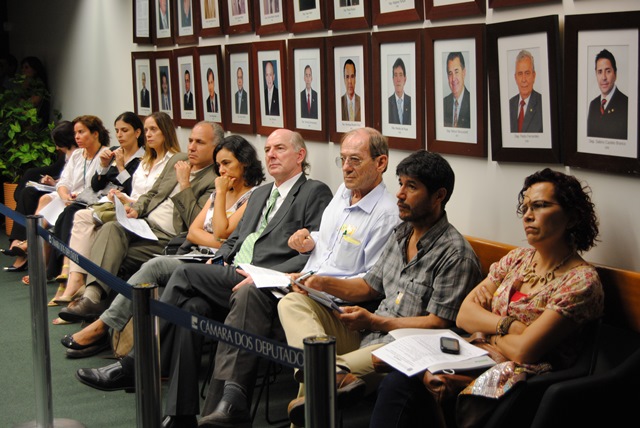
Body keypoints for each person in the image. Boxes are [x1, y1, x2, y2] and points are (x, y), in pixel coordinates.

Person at [75, 129, 333, 428]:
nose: (271, 154)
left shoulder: (314, 192)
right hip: (232, 272)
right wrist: (219, 257)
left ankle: (137, 363)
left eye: (280, 149)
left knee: (183, 273)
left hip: (266, 283)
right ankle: (182, 415)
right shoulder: (262, 192)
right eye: (269, 149)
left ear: (300, 156)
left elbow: (313, 252)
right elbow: (235, 238)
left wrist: (269, 275)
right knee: (192, 307)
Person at [370, 168, 604, 428]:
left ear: (572, 217)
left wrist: (488, 330)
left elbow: (524, 351)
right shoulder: (518, 259)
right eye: (525, 207)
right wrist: (508, 326)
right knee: (396, 374)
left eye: (540, 206)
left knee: (403, 384)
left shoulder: (580, 281)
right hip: (476, 353)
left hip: (526, 382)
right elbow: (465, 314)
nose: (527, 215)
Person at [198, 127, 400, 427]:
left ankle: (232, 403)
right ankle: (231, 402)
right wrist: (311, 239)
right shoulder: (344, 194)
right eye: (342, 159)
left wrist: (318, 283)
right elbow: (334, 245)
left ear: (380, 163)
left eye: (355, 160)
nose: (346, 167)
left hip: (340, 308)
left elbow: (370, 286)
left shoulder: (385, 214)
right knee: (251, 300)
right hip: (307, 289)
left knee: (276, 308)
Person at [281, 150, 483, 427]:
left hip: (406, 348)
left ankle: (332, 372)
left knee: (317, 372)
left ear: (439, 196)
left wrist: (375, 320)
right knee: (292, 303)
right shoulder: (402, 233)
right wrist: (318, 283)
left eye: (411, 187)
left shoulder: (456, 254)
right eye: (400, 184)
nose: (399, 194)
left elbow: (440, 323)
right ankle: (336, 372)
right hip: (370, 333)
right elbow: (369, 286)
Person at [62, 135, 264, 358]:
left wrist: (220, 208)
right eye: (219, 165)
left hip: (216, 263)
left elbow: (222, 231)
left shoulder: (254, 195)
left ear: (244, 163)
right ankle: (108, 327)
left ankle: (103, 326)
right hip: (194, 254)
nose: (222, 171)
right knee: (113, 236)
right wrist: (215, 235)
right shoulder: (218, 192)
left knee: (155, 266)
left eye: (227, 164)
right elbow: (194, 232)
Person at [58, 121, 220, 324]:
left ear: (215, 149)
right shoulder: (179, 160)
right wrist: (136, 209)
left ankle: (98, 320)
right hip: (144, 224)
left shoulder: (214, 179)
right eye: (190, 141)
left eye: (200, 143)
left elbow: (195, 222)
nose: (192, 147)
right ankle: (91, 297)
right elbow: (153, 192)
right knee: (110, 228)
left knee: (114, 256)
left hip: (168, 238)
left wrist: (185, 184)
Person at [49, 112, 148, 309]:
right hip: (102, 200)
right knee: (67, 215)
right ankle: (67, 274)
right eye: (117, 130)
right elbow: (95, 184)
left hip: (123, 206)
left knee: (77, 214)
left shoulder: (141, 159)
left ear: (137, 132)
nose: (120, 135)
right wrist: (103, 167)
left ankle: (70, 275)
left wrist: (119, 167)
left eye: (125, 130)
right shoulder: (113, 152)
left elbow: (131, 189)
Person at [3, 115, 110, 273]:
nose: (77, 137)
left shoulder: (106, 155)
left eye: (81, 132)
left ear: (95, 133)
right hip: (70, 197)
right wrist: (65, 195)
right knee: (46, 198)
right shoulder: (76, 155)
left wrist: (72, 197)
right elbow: (64, 182)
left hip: (89, 200)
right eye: (75, 133)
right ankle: (37, 259)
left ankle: (28, 246)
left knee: (48, 207)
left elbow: (99, 186)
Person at [1, 121, 77, 272]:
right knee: (29, 189)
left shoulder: (81, 155)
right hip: (61, 190)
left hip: (70, 195)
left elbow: (78, 183)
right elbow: (65, 177)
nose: (56, 148)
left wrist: (58, 186)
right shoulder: (71, 155)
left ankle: (24, 245)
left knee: (30, 194)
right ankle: (20, 245)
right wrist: (54, 182)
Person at [586, 49, 628, 140]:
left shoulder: (626, 104)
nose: (604, 77)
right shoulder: (593, 105)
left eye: (608, 71)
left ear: (615, 74)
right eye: (600, 72)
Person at [509, 50, 543, 133]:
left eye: (527, 73)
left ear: (534, 76)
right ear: (515, 78)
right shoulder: (509, 105)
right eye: (520, 74)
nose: (524, 79)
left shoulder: (543, 104)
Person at [443, 52, 470, 129]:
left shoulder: (473, 102)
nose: (453, 78)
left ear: (464, 73)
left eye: (456, 71)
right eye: (450, 73)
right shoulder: (443, 104)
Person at [388, 58, 411, 125]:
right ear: (393, 79)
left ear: (405, 79)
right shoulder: (388, 102)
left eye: (400, 75)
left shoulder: (411, 102)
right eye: (395, 75)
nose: (398, 79)